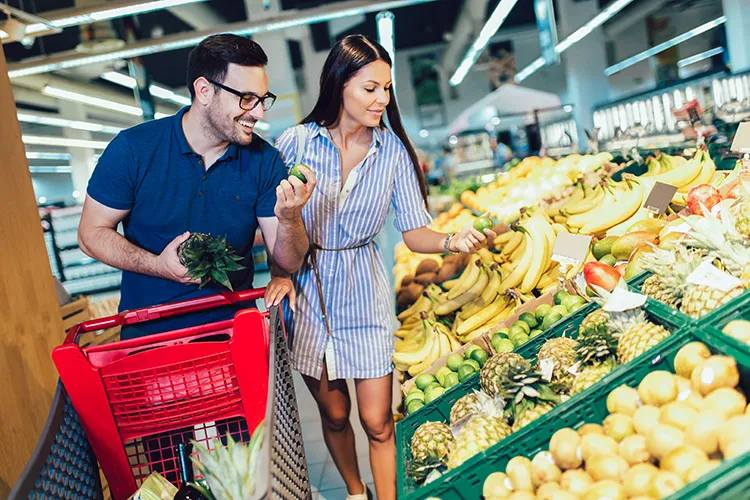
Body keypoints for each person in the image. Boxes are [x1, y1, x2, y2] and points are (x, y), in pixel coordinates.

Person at [270, 34, 496, 500]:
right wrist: (279, 272)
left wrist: (451, 239)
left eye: (387, 89)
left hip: (365, 289)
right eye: (370, 88)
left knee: (376, 421)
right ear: (340, 83)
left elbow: (415, 231)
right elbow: (272, 222)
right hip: (311, 292)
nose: (382, 99)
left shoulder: (392, 153)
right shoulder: (294, 143)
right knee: (333, 415)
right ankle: (356, 492)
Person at [78, 34, 314, 338]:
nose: (258, 113)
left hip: (233, 335)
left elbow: (288, 261)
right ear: (204, 90)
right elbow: (90, 234)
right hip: (150, 338)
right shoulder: (133, 149)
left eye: (262, 99)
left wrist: (290, 217)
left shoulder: (264, 160)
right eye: (246, 99)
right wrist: (158, 265)